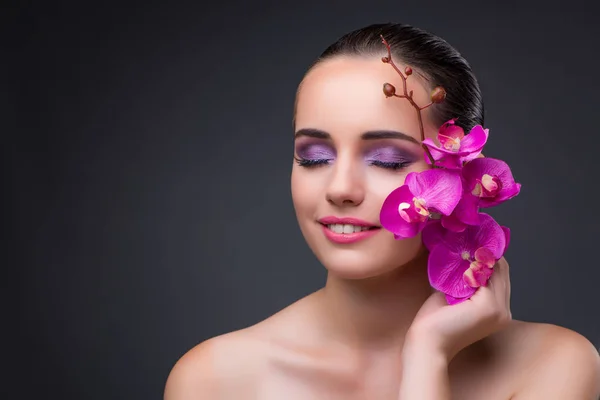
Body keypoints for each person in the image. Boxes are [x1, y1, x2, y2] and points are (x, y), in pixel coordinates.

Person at [164, 23, 600, 399]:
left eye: (388, 161)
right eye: (314, 157)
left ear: (463, 173)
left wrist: (426, 356)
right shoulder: (214, 382)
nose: (340, 189)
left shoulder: (554, 366)